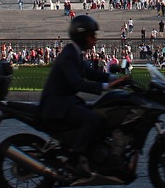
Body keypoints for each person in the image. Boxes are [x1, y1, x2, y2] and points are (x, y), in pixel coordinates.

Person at [39, 14, 127, 177]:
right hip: (58, 105)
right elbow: (77, 83)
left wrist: (115, 78)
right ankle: (74, 159)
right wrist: (107, 86)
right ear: (82, 37)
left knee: (98, 112)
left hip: (66, 102)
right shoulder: (69, 55)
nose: (95, 39)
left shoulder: (74, 52)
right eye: (92, 36)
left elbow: (89, 72)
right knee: (93, 120)